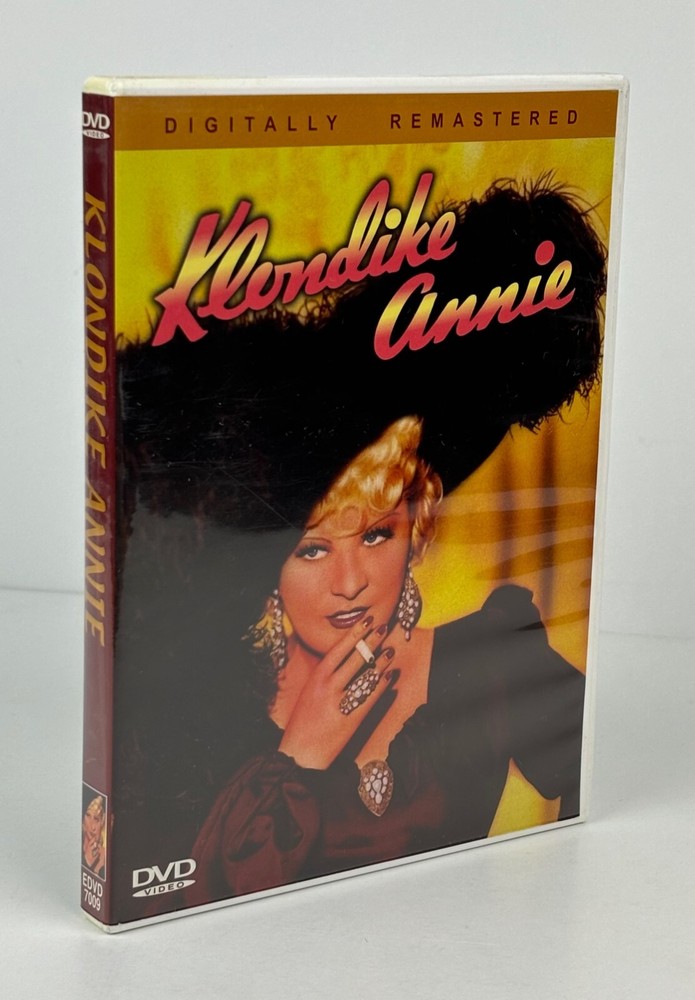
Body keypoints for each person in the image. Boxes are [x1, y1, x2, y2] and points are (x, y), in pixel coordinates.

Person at [116, 176, 606, 913]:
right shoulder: (197, 720)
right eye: (310, 550)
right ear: (263, 558)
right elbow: (177, 904)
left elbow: (599, 805)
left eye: (377, 535)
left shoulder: (490, 662)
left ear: (418, 527)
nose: (349, 582)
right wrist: (299, 756)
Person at [82, 794, 106, 878]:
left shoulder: (104, 856)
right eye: (88, 815)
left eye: (96, 819)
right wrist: (86, 861)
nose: (92, 826)